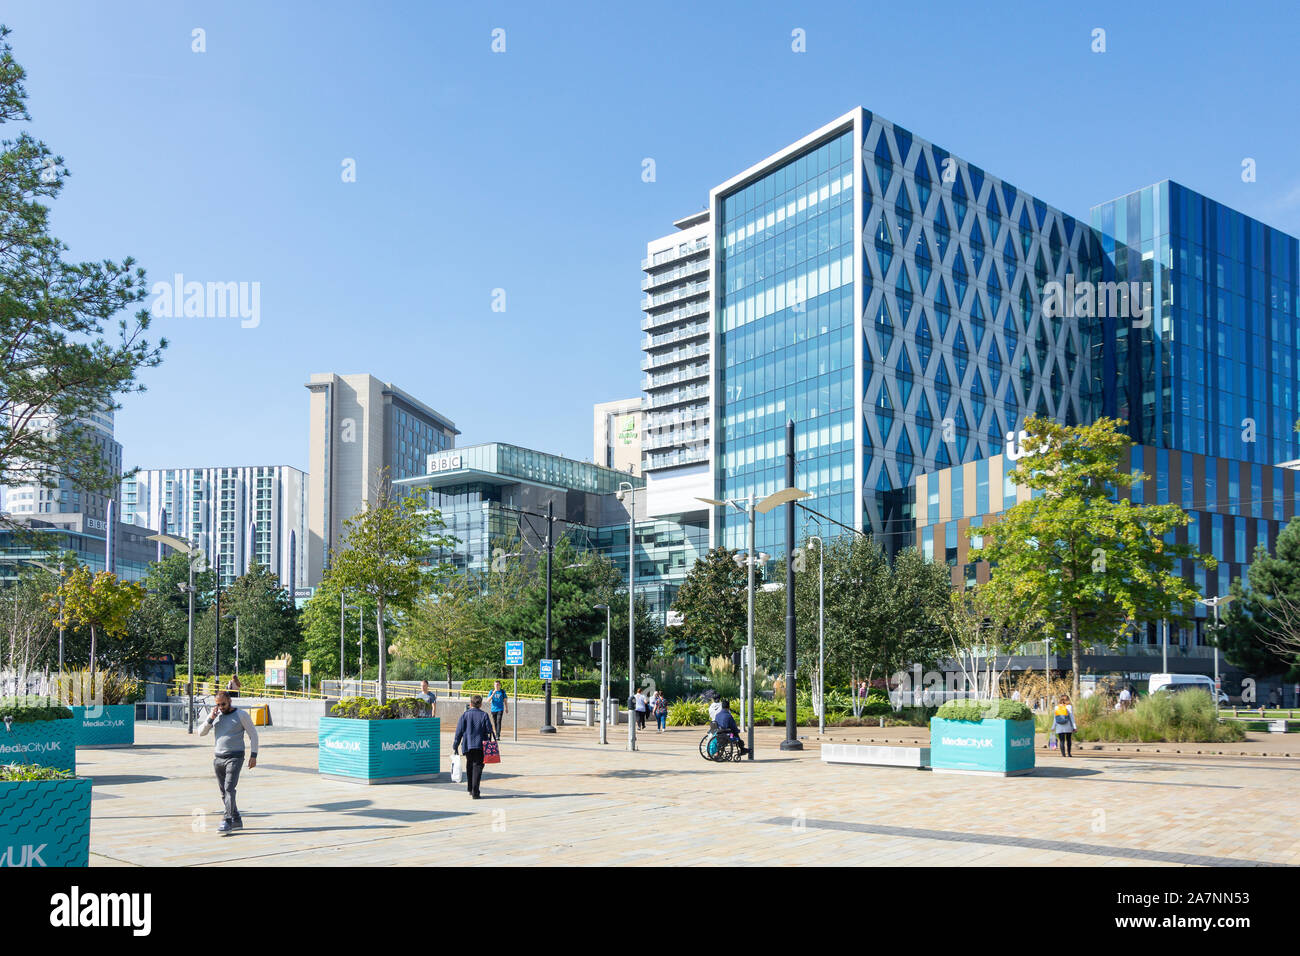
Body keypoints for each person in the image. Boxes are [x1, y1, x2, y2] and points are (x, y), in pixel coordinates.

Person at [198, 690, 259, 836]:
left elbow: (253, 734)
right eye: (218, 704)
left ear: (230, 701)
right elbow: (200, 732)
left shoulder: (241, 715)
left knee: (229, 788)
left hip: (235, 756)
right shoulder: (215, 715)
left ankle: (228, 820)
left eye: (223, 704)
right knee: (223, 792)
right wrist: (210, 718)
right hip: (218, 757)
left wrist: (254, 755)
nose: (221, 707)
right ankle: (237, 818)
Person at [452, 694, 496, 799]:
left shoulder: (464, 715)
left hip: (467, 745)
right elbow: (489, 729)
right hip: (480, 745)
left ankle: (470, 788)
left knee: (470, 765)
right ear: (480, 704)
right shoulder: (484, 715)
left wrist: (455, 745)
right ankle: (475, 791)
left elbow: (459, 732)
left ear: (470, 704)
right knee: (477, 767)